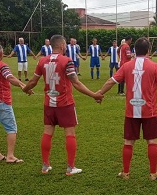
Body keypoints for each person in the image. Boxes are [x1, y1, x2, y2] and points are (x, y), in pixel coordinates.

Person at [96, 37, 157, 180]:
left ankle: (125, 173)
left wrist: (99, 93)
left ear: (134, 50)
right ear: (148, 50)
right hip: (149, 111)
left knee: (128, 142)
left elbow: (111, 81)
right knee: (152, 141)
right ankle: (153, 174)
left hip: (131, 110)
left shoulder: (127, 66)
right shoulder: (153, 66)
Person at [23, 34, 103, 174]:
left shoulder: (42, 61)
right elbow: (76, 83)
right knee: (70, 134)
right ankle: (70, 167)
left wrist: (25, 89)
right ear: (61, 46)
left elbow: (33, 82)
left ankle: (45, 165)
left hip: (49, 103)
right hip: (65, 103)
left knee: (47, 132)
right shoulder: (67, 61)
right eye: (65, 45)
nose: (65, 47)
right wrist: (94, 95)